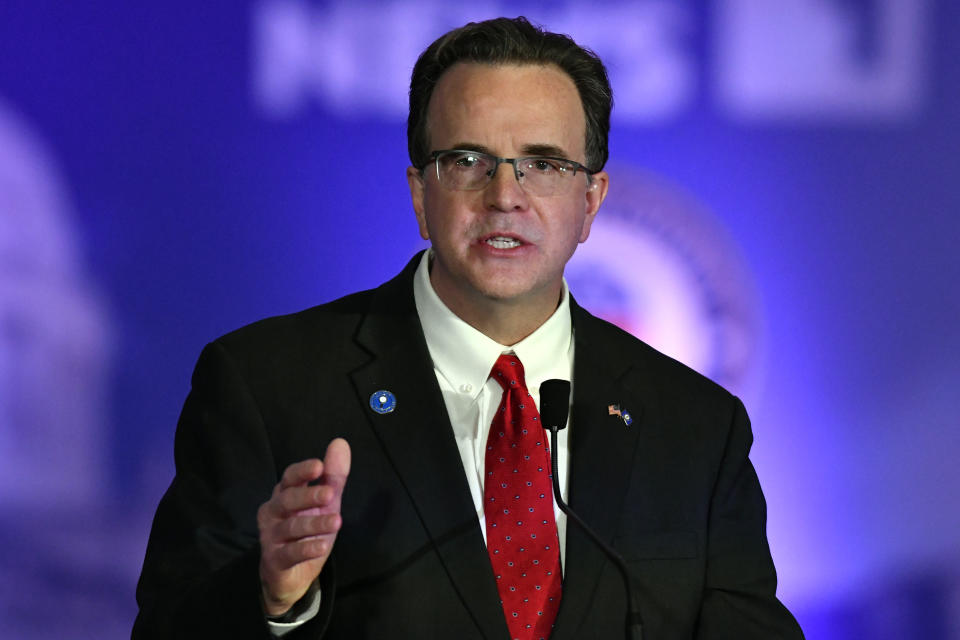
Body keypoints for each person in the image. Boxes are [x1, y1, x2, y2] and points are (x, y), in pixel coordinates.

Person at [133, 16, 804, 640]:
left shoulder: (694, 427)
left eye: (544, 163)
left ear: (590, 202)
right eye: (466, 161)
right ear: (421, 194)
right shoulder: (266, 387)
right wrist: (273, 598)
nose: (504, 194)